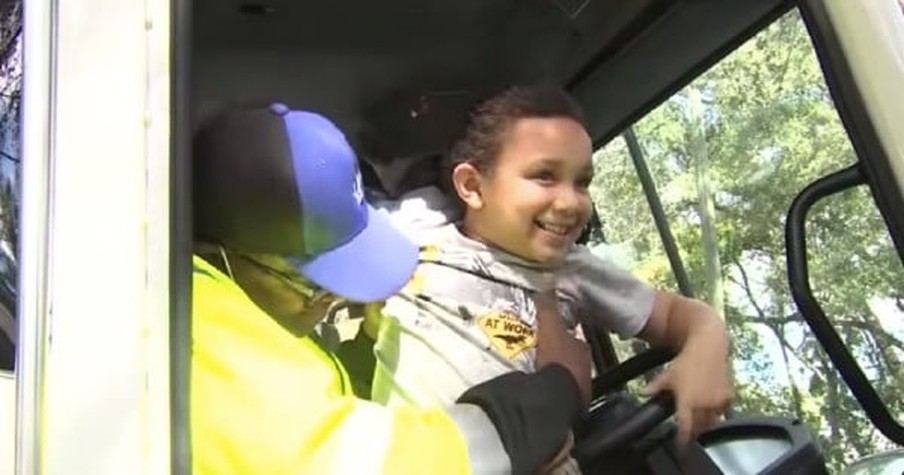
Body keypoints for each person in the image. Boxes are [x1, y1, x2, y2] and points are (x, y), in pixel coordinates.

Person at [190, 103, 592, 474]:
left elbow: (317, 415)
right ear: (219, 252)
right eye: (312, 285)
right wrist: (553, 393)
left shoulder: (244, 322)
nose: (329, 303)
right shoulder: (195, 331)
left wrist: (366, 350)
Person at [368, 84, 733, 452]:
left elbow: (672, 313)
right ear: (472, 186)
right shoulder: (416, 234)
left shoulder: (570, 268)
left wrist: (707, 342)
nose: (571, 202)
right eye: (544, 175)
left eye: (582, 182)